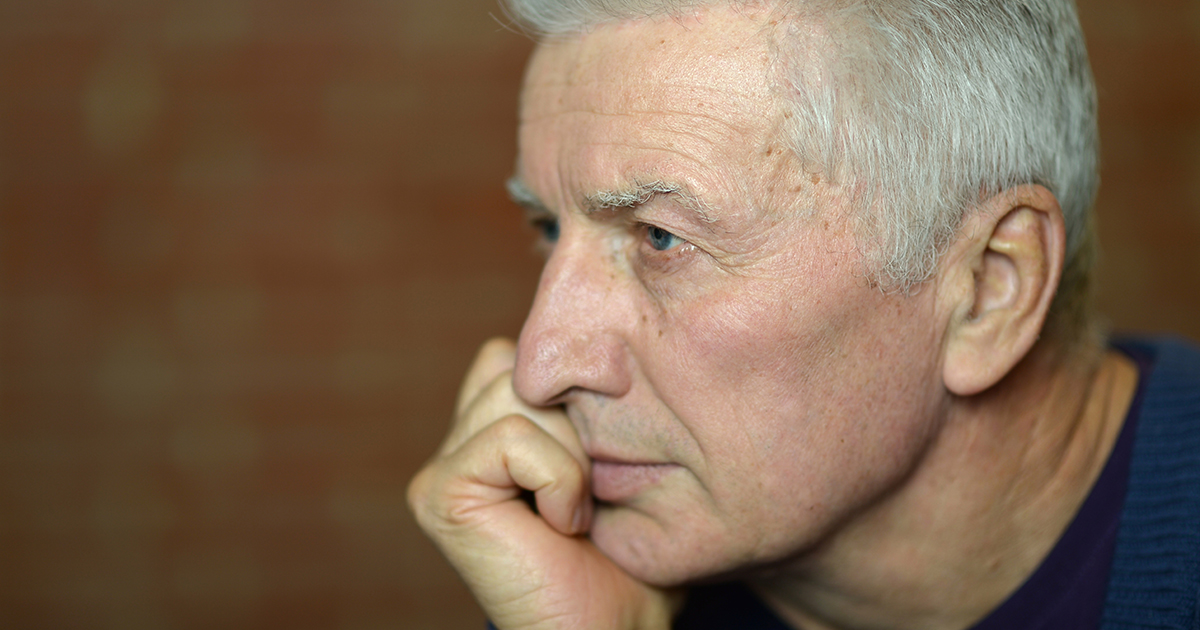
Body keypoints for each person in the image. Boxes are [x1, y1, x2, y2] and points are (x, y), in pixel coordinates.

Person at [407, 0, 1200, 628]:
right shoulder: (606, 583)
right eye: (549, 229)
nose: (540, 363)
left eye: (660, 238)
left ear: (990, 288)